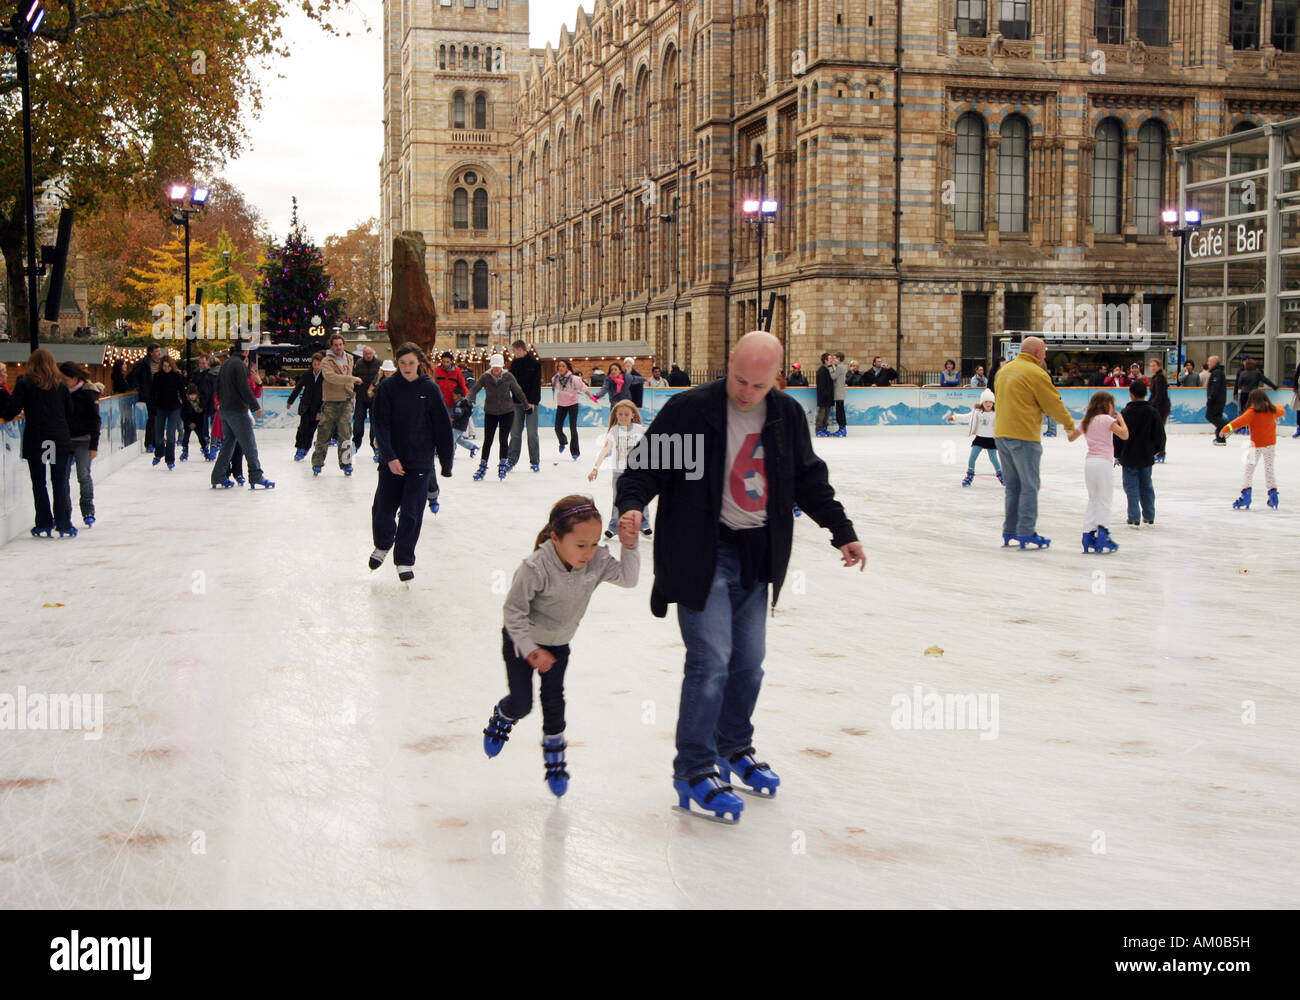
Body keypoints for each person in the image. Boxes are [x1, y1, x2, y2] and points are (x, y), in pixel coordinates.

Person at [614, 331, 865, 823]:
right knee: (712, 662)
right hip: (700, 554)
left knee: (749, 662)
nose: (746, 392)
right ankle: (692, 770)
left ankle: (732, 748)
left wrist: (842, 531)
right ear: (728, 365)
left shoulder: (784, 416)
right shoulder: (693, 411)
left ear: (777, 377)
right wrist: (630, 506)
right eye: (739, 379)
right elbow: (644, 470)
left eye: (758, 383)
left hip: (757, 557)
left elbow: (809, 480)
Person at [481, 494, 641, 797]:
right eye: (580, 545)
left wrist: (629, 545)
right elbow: (513, 612)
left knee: (554, 701)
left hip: (558, 645)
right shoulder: (535, 567)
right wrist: (531, 650)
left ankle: (555, 756)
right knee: (523, 703)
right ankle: (503, 715)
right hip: (522, 643)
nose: (588, 552)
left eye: (594, 543)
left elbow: (629, 579)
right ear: (556, 538)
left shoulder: (597, 560)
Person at [367, 342, 454, 581]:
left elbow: (442, 428)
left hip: (419, 461)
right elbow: (380, 425)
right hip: (391, 461)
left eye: (411, 363)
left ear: (419, 364)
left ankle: (404, 559)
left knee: (411, 512)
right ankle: (383, 544)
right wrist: (390, 457)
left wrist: (446, 463)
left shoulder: (429, 389)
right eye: (402, 363)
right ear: (397, 364)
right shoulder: (388, 388)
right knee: (383, 509)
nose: (407, 367)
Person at [993, 335, 1081, 549]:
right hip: (1023, 436)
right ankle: (1026, 531)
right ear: (1038, 353)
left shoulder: (1004, 371)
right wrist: (1070, 424)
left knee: (1013, 486)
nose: (1046, 354)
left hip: (1001, 434)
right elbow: (1053, 403)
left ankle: (1010, 530)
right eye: (1044, 350)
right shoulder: (1036, 373)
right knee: (1030, 485)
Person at [2, 349, 76, 537]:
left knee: (39, 482)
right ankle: (64, 523)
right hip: (58, 438)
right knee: (60, 481)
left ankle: (43, 522)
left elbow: (12, 408)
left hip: (37, 438)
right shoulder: (61, 385)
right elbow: (69, 412)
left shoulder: (25, 382)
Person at [210, 343, 274, 490]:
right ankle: (256, 475)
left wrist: (221, 404)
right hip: (237, 410)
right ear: (245, 350)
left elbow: (217, 386)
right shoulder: (239, 365)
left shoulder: (225, 364)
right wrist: (255, 406)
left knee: (228, 444)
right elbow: (244, 388)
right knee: (249, 444)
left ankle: (218, 475)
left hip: (225, 411)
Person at [588, 399, 653, 538]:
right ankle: (614, 526)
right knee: (617, 499)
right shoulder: (614, 430)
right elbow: (606, 448)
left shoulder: (639, 429)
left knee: (641, 495)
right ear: (616, 415)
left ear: (632, 415)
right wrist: (595, 467)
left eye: (626, 414)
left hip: (637, 471)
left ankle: (643, 523)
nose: (623, 417)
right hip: (619, 471)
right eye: (620, 414)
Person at [1218, 388, 1286, 509]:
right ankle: (1273, 493)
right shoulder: (1272, 410)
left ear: (1251, 400)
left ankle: (1246, 494)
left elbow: (1238, 422)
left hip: (1256, 446)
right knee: (1269, 469)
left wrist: (1225, 429)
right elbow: (1282, 410)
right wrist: (1273, 406)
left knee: (1249, 470)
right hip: (1270, 445)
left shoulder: (1252, 412)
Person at [1079, 391, 1129, 553]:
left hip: (1089, 463)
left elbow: (1072, 436)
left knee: (1093, 498)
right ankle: (1103, 534)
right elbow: (1124, 435)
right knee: (1105, 498)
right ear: (1106, 405)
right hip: (1103, 463)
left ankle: (1087, 535)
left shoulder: (1087, 420)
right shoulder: (1107, 419)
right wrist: (1120, 419)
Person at [469, 353, 527, 480]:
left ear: (502, 366)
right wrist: (467, 399)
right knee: (488, 440)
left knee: (503, 439)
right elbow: (475, 388)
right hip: (490, 411)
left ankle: (502, 463)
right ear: (491, 366)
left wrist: (526, 405)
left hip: (507, 411)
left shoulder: (508, 376)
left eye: (498, 367)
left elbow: (518, 390)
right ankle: (482, 465)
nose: (496, 369)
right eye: (494, 367)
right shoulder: (486, 376)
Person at [1116, 380, 1165, 527]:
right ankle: (1149, 516)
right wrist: (1155, 450)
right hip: (1146, 456)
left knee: (1131, 487)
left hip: (1129, 456)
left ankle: (1133, 517)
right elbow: (1160, 435)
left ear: (1131, 394)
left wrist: (1118, 454)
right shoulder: (1153, 412)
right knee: (1146, 486)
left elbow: (1117, 436)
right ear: (1146, 393)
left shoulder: (1125, 413)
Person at [311, 333, 362, 475]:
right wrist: (352, 379)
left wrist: (352, 390)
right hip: (331, 401)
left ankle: (346, 463)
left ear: (343, 345)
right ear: (331, 346)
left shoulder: (350, 358)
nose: (338, 347)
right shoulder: (327, 361)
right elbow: (331, 377)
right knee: (324, 433)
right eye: (335, 345)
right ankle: (317, 463)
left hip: (346, 400)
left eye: (340, 344)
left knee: (346, 434)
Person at [58, 362, 101, 529]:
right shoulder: (60, 392)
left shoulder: (89, 392)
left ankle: (88, 510)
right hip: (64, 440)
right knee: (62, 478)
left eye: (65, 379)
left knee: (83, 475)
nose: (63, 381)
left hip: (84, 440)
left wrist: (94, 445)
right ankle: (64, 512)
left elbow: (95, 420)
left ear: (75, 378)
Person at [506, 339, 542, 472]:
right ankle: (511, 459)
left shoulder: (534, 363)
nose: (513, 353)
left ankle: (534, 461)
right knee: (515, 432)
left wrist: (532, 402)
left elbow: (535, 385)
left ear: (520, 349)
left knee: (532, 433)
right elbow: (510, 382)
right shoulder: (514, 363)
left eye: (514, 351)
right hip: (516, 402)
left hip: (530, 403)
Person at [149, 354, 186, 470]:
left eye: (168, 366)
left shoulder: (177, 376)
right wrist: (152, 407)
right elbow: (153, 393)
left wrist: (185, 406)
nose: (166, 368)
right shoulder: (157, 376)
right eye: (164, 366)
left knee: (170, 434)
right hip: (160, 408)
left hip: (174, 408)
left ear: (172, 366)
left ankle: (170, 459)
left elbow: (182, 392)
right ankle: (159, 453)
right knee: (158, 434)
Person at [287, 352, 325, 460]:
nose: (317, 366)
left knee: (311, 430)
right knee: (302, 428)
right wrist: (290, 401)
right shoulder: (307, 374)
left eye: (319, 364)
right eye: (315, 364)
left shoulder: (325, 376)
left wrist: (321, 411)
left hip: (318, 407)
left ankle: (305, 448)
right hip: (306, 406)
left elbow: (326, 394)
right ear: (312, 364)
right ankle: (299, 448)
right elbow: (298, 388)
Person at [962, 389, 1003, 487]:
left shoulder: (996, 413)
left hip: (991, 440)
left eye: (990, 402)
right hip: (980, 439)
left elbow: (1006, 421)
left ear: (993, 403)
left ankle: (1002, 476)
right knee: (972, 457)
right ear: (982, 403)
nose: (988, 404)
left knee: (994, 459)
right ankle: (969, 476)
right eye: (985, 402)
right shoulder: (977, 412)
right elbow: (967, 417)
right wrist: (955, 417)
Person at [551, 359, 589, 461]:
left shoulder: (575, 379)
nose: (561, 368)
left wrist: (592, 397)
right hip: (561, 405)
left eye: (563, 366)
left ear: (567, 367)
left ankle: (575, 452)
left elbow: (584, 388)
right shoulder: (555, 379)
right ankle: (563, 442)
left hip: (573, 405)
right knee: (557, 428)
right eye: (559, 366)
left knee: (573, 428)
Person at [128, 344, 162, 452]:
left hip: (160, 394)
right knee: (152, 418)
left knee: (158, 418)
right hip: (149, 395)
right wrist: (139, 387)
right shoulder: (143, 363)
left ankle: (156, 441)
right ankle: (149, 442)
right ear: (150, 353)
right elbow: (132, 375)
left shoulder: (162, 363)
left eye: (159, 351)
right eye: (157, 351)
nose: (159, 353)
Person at [351, 344, 383, 457]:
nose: (368, 356)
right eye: (366, 354)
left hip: (375, 399)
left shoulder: (380, 364)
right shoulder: (358, 364)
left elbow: (383, 380)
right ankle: (356, 443)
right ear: (363, 355)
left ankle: (376, 447)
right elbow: (353, 379)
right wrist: (353, 391)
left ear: (373, 353)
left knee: (375, 424)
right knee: (358, 422)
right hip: (361, 398)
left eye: (369, 354)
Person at [1233, 358, 1276, 435]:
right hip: (1254, 394)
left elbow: (1239, 384)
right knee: (1253, 411)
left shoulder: (1242, 373)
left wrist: (1237, 391)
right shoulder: (1257, 373)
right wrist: (1274, 387)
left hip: (1244, 394)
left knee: (1244, 411)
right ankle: (1250, 428)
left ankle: (1243, 428)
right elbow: (1265, 380)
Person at [179, 379, 208, 462]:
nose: (192, 396)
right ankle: (185, 451)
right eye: (190, 394)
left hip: (198, 424)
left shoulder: (200, 402)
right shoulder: (185, 403)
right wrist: (189, 423)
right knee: (186, 438)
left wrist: (196, 422)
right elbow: (183, 415)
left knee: (201, 437)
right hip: (188, 424)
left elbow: (202, 414)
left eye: (194, 394)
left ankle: (205, 449)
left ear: (197, 394)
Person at [1147, 358, 1170, 462]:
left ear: (1159, 366)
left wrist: (1152, 406)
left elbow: (1160, 395)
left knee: (1159, 430)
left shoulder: (1160, 378)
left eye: (1154, 366)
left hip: (1161, 407)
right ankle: (1158, 451)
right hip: (1157, 406)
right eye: (1151, 366)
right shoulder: (1155, 377)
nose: (1152, 368)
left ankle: (1160, 452)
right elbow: (1153, 395)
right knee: (1156, 430)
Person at [194, 354, 217, 456]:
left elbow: (210, 391)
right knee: (203, 424)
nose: (201, 365)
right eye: (200, 363)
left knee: (214, 423)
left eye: (204, 363)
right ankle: (205, 442)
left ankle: (214, 443)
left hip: (212, 403)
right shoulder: (196, 373)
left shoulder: (212, 374)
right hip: (202, 403)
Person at [1204, 354, 1228, 445]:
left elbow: (1215, 387)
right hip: (1219, 400)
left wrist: (1211, 398)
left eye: (1209, 361)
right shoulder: (1218, 372)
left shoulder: (1217, 373)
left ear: (1214, 362)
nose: (1208, 363)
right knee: (1217, 417)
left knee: (1210, 416)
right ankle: (1220, 439)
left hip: (1216, 400)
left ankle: (1227, 426)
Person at [814, 353, 834, 436]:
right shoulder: (822, 370)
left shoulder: (829, 369)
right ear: (825, 360)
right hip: (824, 396)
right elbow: (821, 384)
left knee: (826, 413)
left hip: (829, 396)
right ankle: (819, 429)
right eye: (830, 359)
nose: (831, 360)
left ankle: (824, 428)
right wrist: (825, 394)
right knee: (822, 413)